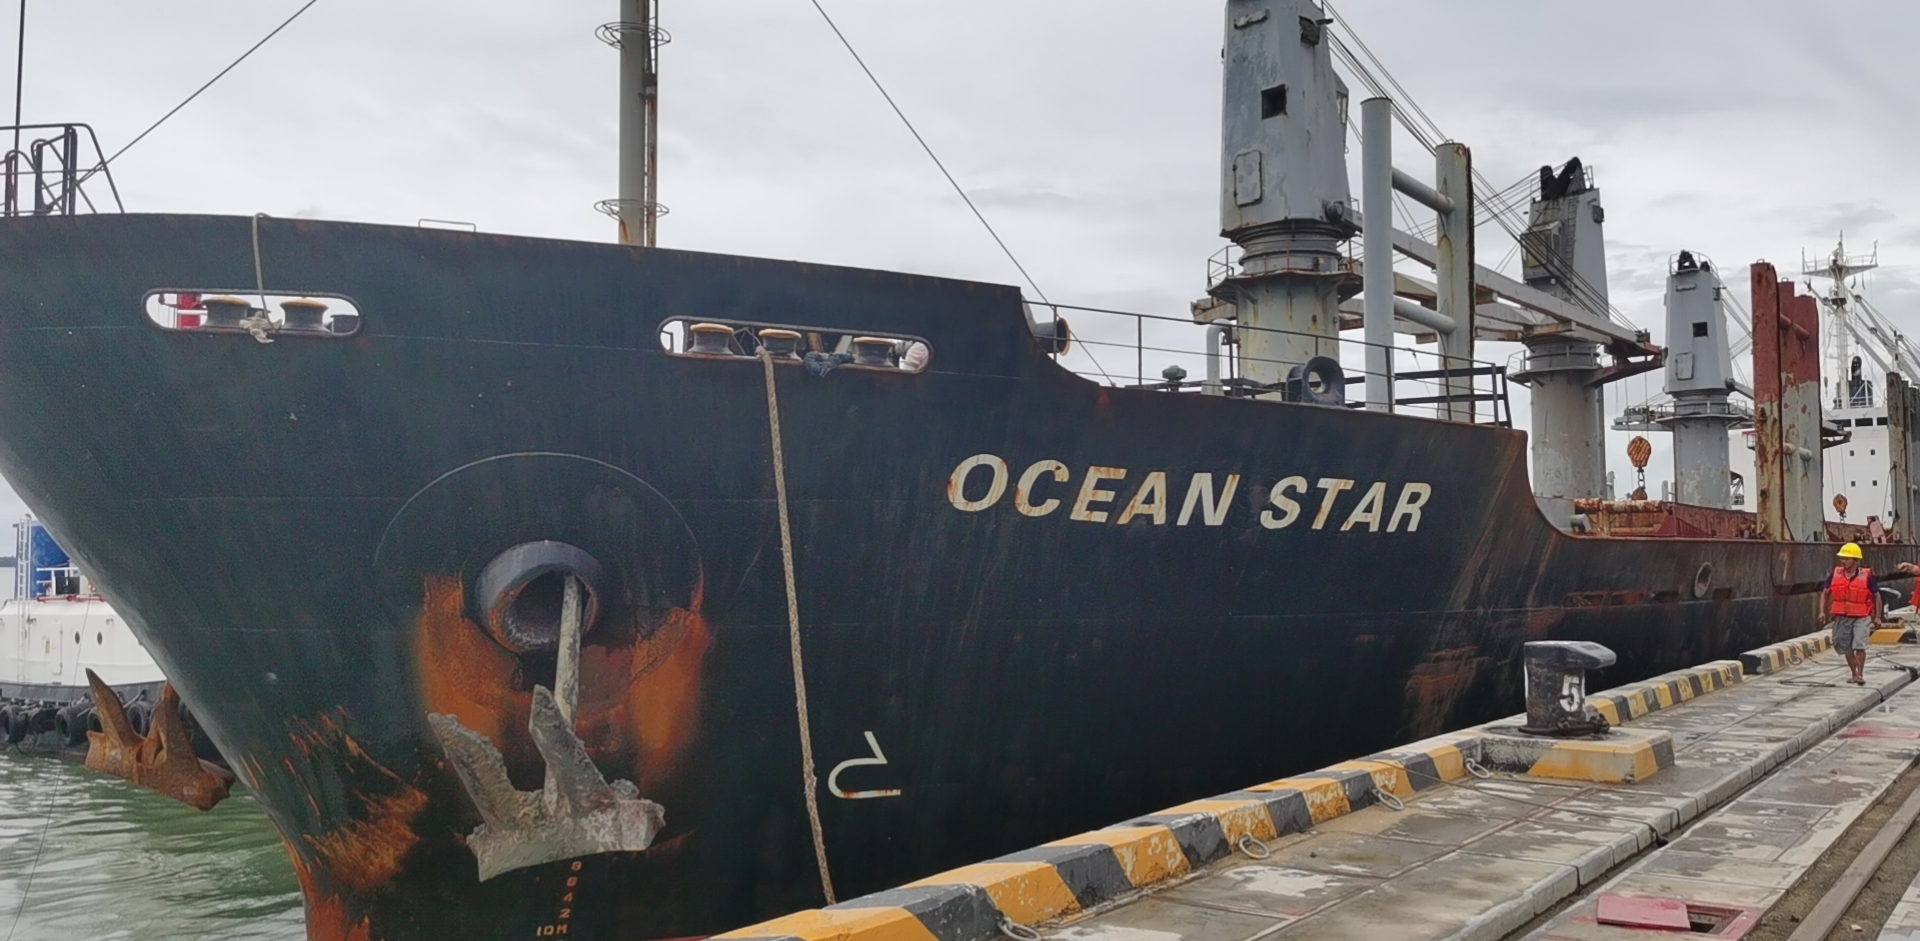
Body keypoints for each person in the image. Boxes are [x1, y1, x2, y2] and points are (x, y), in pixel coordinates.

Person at [1820, 543, 1880, 686]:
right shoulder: (1835, 574)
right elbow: (1825, 593)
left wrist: (1878, 616)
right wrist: (1822, 611)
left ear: (1855, 560)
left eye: (1847, 559)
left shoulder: (1867, 576)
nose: (1843, 561)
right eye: (1842, 558)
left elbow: (1877, 595)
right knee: (1846, 647)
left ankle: (1860, 675)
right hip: (1842, 617)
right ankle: (1854, 673)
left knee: (1859, 645)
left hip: (1861, 616)